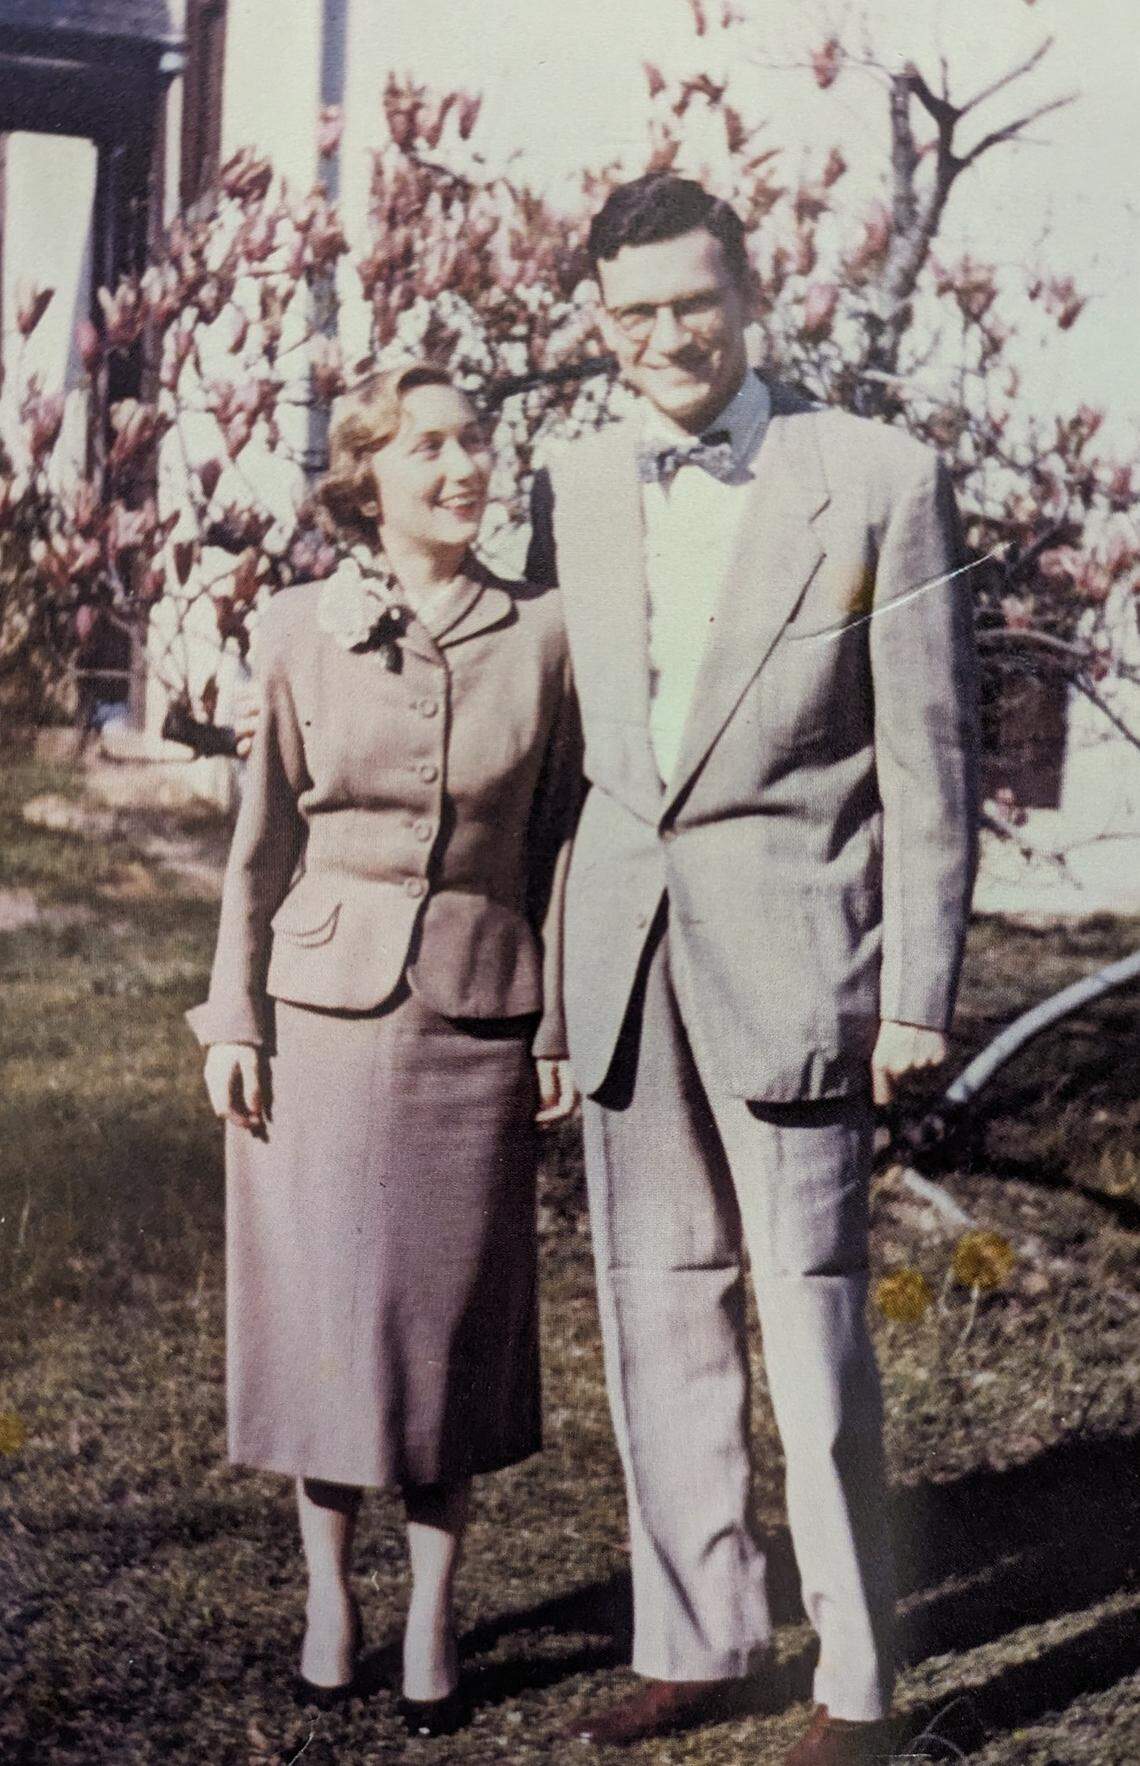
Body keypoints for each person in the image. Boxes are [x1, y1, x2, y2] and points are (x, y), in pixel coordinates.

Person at [524, 174, 979, 1761]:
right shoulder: (575, 480)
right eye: (636, 312)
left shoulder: (877, 477)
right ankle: (699, 1636)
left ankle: (858, 1680)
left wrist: (918, 991)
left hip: (803, 964)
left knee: (816, 1329)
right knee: (658, 1309)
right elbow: (572, 758)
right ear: (598, 323)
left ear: (753, 291)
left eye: (694, 303)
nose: (670, 336)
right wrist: (548, 977)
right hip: (626, 960)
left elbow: (930, 760)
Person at [188, 361, 580, 1737]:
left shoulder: (546, 630)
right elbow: (258, 848)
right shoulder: (299, 625)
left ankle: (430, 1613)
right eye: (428, 447)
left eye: (476, 441)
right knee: (327, 1324)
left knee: (441, 1331)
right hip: (319, 1023)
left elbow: (564, 844)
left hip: (476, 1019)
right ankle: (325, 1598)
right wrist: (231, 1013)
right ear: (370, 475)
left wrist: (559, 1024)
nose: (463, 466)